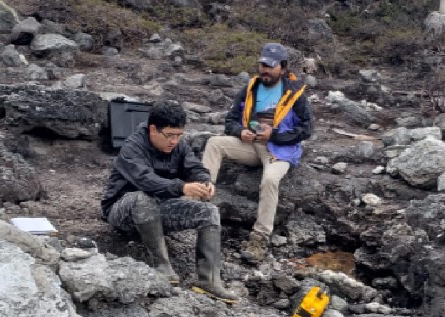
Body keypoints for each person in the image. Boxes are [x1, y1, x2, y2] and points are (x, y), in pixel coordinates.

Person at [101, 99, 236, 300]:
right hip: (122, 210)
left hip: (159, 208)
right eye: (170, 136)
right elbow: (146, 181)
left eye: (179, 135)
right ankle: (162, 266)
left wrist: (205, 181)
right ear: (153, 129)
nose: (174, 141)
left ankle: (209, 280)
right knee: (142, 198)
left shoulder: (178, 145)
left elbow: (194, 167)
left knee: (209, 211)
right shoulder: (132, 147)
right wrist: (182, 187)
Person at [202, 42, 313, 263]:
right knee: (214, 143)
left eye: (270, 66)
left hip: (281, 150)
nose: (265, 70)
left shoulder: (295, 92)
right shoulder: (251, 87)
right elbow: (230, 121)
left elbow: (307, 129)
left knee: (270, 178)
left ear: (282, 67)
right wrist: (240, 131)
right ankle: (199, 198)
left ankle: (260, 238)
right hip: (251, 144)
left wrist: (275, 135)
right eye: (262, 65)